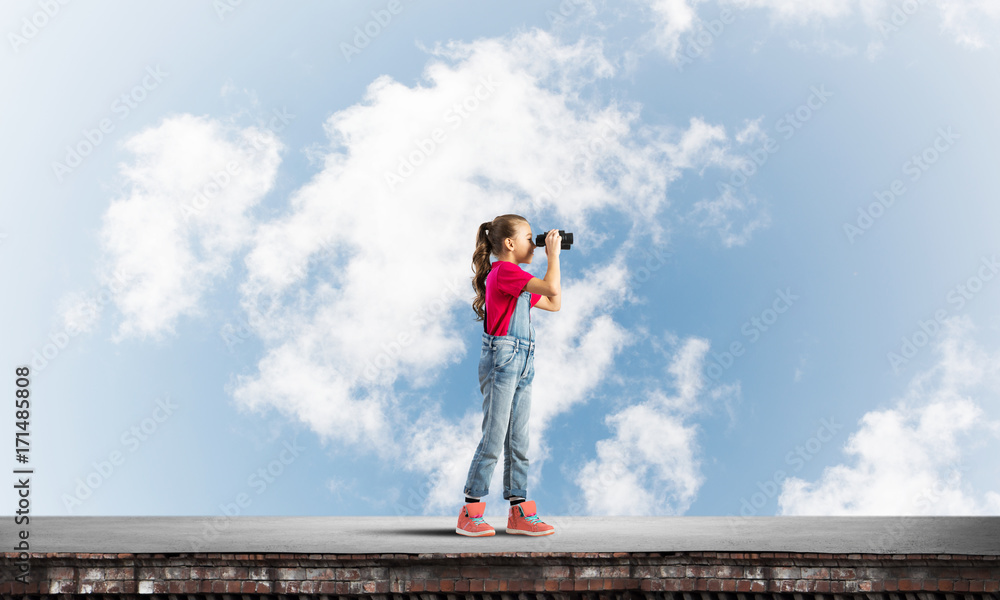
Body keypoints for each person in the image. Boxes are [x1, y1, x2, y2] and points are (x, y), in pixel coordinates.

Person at [456, 214, 562, 537]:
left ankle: (518, 512)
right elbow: (551, 286)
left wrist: (553, 261)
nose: (536, 243)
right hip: (504, 360)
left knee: (519, 439)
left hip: (523, 362)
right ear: (509, 244)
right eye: (530, 238)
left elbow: (554, 303)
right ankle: (469, 512)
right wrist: (553, 257)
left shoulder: (517, 280)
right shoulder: (505, 272)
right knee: (494, 436)